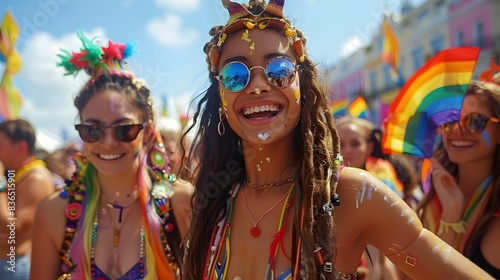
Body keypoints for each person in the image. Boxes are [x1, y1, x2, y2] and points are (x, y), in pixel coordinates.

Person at [179, 0, 494, 279]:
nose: (258, 85)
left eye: (279, 70)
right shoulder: (213, 201)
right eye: (236, 75)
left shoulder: (352, 194)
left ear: (303, 89)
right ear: (221, 99)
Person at [30, 32, 193, 280]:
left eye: (124, 129)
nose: (107, 143)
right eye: (92, 130)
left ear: (148, 132)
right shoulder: (54, 212)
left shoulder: (180, 202)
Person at [417, 77, 500, 278]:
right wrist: (451, 214)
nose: (457, 130)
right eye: (449, 121)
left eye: (474, 121)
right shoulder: (429, 203)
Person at [0, 119, 54, 280]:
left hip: (12, 267)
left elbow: (11, 233)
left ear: (21, 147)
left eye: (0, 146)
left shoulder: (36, 178)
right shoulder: (21, 174)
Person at [336, 116, 421, 208]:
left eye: (355, 144)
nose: (348, 150)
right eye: (340, 144)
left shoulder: (385, 179)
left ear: (369, 147)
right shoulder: (326, 181)